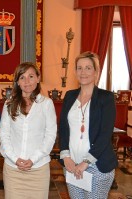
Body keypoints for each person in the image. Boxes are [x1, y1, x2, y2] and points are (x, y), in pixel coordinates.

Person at [59, 51, 118, 198]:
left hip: (97, 166)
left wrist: (85, 163)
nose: (83, 72)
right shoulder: (69, 96)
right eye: (79, 68)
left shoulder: (106, 98)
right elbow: (63, 129)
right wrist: (66, 157)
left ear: (96, 71)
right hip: (72, 165)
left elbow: (105, 135)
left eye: (88, 68)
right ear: (75, 71)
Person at [0, 62, 57, 198]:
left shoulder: (46, 104)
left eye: (31, 76)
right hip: (13, 170)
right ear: (17, 82)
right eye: (22, 77)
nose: (27, 81)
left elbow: (50, 135)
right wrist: (14, 158)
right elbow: (4, 133)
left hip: (38, 170)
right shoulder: (9, 103)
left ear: (37, 78)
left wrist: (33, 159)